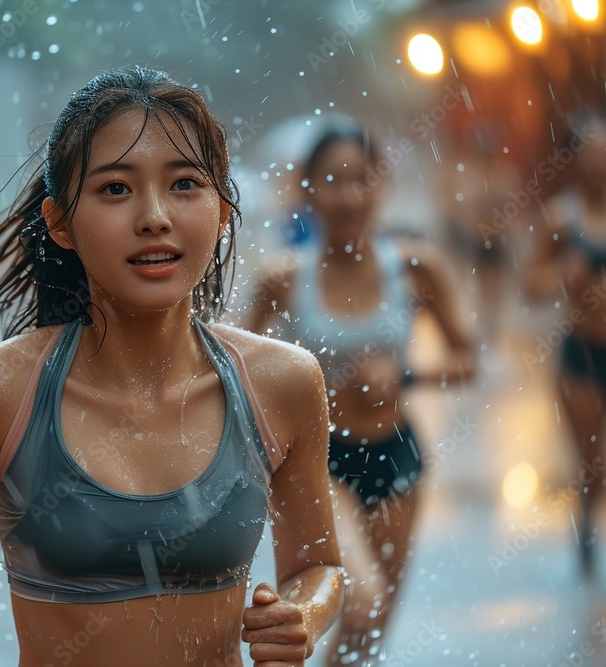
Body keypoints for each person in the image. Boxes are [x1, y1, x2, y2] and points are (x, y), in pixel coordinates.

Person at [0, 66, 344, 667]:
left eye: (185, 184)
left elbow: (319, 565)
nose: (154, 217)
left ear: (223, 211)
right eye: (116, 188)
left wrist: (301, 616)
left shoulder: (283, 382)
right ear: (60, 223)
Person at [248, 124, 475, 664]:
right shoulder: (283, 277)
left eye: (362, 180)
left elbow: (467, 360)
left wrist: (406, 377)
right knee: (361, 600)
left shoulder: (417, 267)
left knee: (370, 634)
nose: (349, 196)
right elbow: (240, 369)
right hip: (317, 460)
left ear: (382, 184)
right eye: (332, 181)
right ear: (307, 189)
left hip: (397, 454)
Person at [524, 114, 606, 576]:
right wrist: (559, 275)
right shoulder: (561, 218)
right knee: (597, 471)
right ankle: (587, 523)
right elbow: (530, 284)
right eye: (590, 156)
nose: (601, 164)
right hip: (582, 359)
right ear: (572, 164)